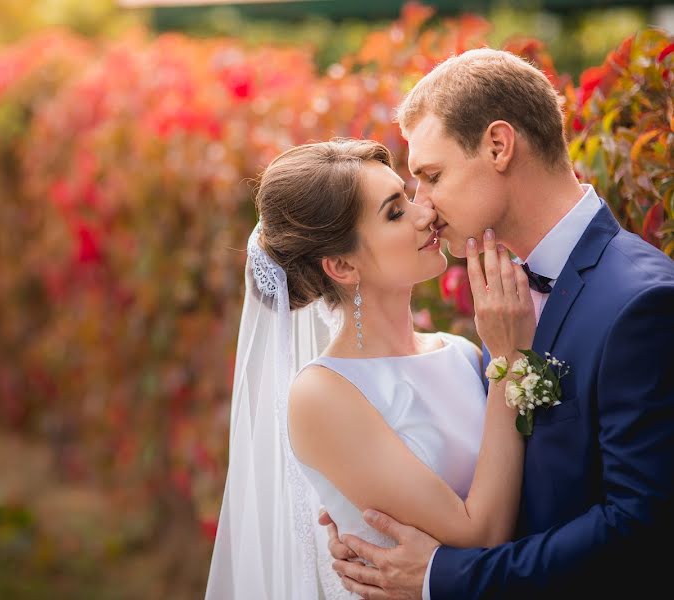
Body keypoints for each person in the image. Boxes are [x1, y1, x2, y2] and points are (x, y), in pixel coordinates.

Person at [322, 48, 674, 599]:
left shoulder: (641, 303)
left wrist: (441, 576)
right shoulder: (502, 306)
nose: (425, 208)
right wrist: (368, 512)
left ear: (498, 146)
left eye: (431, 176)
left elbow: (639, 528)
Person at [205, 136, 537, 600]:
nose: (426, 213)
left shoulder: (460, 352)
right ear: (342, 265)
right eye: (395, 212)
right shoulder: (323, 395)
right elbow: (480, 534)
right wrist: (509, 362)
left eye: (407, 194)